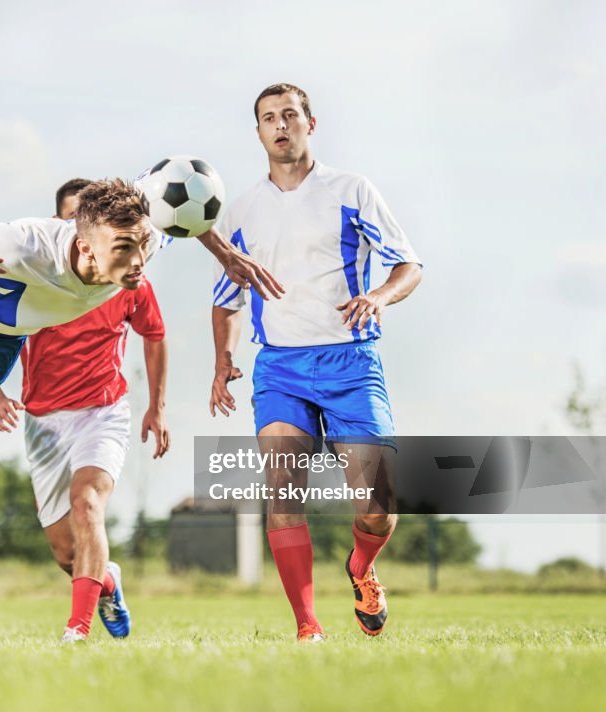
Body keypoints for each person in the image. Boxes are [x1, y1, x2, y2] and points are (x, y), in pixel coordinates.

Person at [0, 177, 281, 617]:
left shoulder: (135, 238)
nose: (141, 258)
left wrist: (226, 255)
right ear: (82, 241)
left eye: (144, 244)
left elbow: (182, 190)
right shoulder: (25, 244)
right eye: (127, 248)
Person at [209, 83, 422, 641]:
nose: (280, 125)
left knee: (377, 508)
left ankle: (361, 565)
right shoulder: (242, 210)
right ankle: (308, 628)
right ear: (257, 133)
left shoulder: (351, 190)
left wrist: (378, 297)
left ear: (311, 122)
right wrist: (222, 361)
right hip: (279, 366)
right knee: (281, 489)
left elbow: (408, 266)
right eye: (267, 118)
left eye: (289, 115)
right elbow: (225, 299)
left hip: (351, 361)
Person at [0, 178, 168, 642]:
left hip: (102, 411)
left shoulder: (129, 279)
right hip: (43, 421)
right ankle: (105, 581)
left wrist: (157, 407)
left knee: (88, 504)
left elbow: (154, 334)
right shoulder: (36, 273)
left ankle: (77, 630)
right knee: (67, 553)